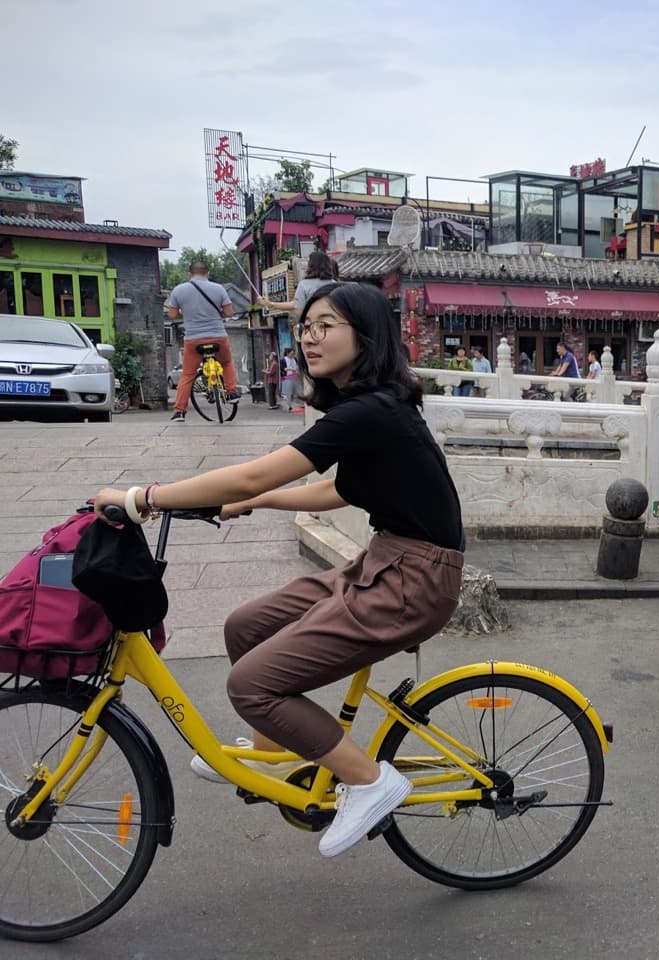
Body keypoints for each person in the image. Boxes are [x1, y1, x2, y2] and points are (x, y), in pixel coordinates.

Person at [94, 283, 464, 857]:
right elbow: (339, 490)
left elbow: (251, 474)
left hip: (413, 582)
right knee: (246, 625)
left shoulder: (372, 410)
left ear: (365, 337)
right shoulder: (364, 408)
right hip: (385, 562)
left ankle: (370, 781)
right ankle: (272, 754)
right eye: (307, 327)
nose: (310, 339)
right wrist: (259, 503)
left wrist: (145, 496)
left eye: (326, 326)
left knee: (251, 685)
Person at [166, 261, 240, 422]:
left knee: (187, 375)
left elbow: (171, 315)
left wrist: (187, 315)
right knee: (226, 363)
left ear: (189, 274)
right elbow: (228, 312)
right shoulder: (218, 289)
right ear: (208, 273)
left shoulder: (179, 290)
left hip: (193, 339)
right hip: (218, 337)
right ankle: (232, 392)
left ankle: (179, 412)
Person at [260, 251, 340, 317]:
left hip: (313, 326)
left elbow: (298, 310)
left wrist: (270, 303)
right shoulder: (335, 285)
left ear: (311, 265)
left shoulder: (304, 285)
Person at [281, 347, 299, 412]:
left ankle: (291, 403)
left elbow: (297, 366)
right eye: (291, 353)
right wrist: (291, 369)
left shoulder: (295, 359)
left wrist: (296, 369)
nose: (292, 355)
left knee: (294, 392)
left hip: (295, 377)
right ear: (288, 353)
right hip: (288, 377)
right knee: (289, 392)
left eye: (293, 354)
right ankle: (289, 406)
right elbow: (283, 369)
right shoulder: (284, 360)